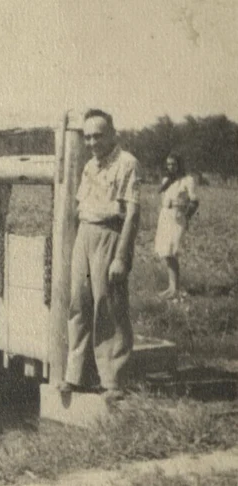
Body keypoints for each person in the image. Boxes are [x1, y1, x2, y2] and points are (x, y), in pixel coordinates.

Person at [59, 109, 141, 400]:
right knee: (79, 302)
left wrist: (121, 256)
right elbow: (80, 205)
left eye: (98, 135)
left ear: (112, 134)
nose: (92, 142)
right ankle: (76, 374)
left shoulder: (127, 163)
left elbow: (132, 214)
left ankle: (113, 380)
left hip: (111, 232)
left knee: (108, 305)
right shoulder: (89, 166)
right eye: (88, 136)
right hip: (86, 232)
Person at [154, 153, 199, 299]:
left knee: (172, 251)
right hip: (166, 217)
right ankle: (171, 287)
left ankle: (175, 288)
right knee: (166, 252)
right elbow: (163, 199)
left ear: (180, 164)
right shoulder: (167, 180)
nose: (171, 167)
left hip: (177, 218)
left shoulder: (188, 180)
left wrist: (186, 215)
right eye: (168, 164)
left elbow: (194, 201)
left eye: (173, 164)